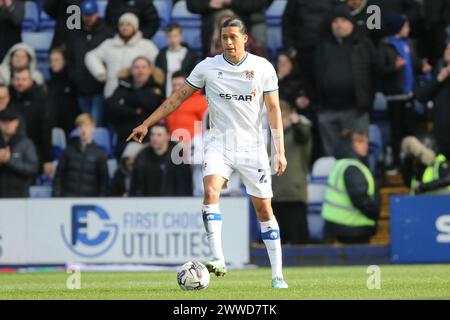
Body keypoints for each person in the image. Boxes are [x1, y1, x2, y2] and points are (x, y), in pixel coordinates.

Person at [127, 18, 289, 288]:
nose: (228, 42)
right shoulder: (207, 67)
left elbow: (274, 109)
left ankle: (277, 275)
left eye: (233, 37)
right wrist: (146, 123)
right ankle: (217, 257)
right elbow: (177, 98)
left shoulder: (262, 68)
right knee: (210, 189)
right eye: (224, 37)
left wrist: (279, 151)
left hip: (252, 146)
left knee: (263, 209)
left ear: (245, 39)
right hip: (219, 142)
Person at [314, 5, 382, 156]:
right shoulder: (322, 47)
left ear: (351, 23)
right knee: (331, 158)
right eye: (335, 21)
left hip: (355, 111)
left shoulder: (363, 44)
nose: (339, 24)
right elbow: (315, 76)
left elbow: (376, 72)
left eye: (343, 20)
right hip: (328, 111)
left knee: (357, 155)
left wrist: (367, 101)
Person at [380, 14, 431, 170]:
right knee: (396, 132)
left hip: (409, 95)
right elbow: (380, 69)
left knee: (410, 131)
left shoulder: (409, 43)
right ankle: (397, 163)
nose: (408, 29)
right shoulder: (385, 45)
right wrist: (393, 68)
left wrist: (422, 68)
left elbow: (414, 64)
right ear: (398, 28)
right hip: (394, 96)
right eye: (406, 26)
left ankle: (411, 164)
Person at [321, 130, 380, 244]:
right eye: (360, 141)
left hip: (338, 227)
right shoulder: (352, 167)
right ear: (350, 144)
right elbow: (361, 199)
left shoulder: (341, 164)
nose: (365, 145)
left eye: (366, 142)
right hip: (352, 229)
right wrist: (375, 214)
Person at [85, 12, 159, 98]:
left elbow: (156, 64)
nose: (125, 27)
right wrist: (100, 73)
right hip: (111, 93)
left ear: (135, 27)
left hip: (136, 95)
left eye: (128, 24)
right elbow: (91, 56)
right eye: (122, 24)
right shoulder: (109, 44)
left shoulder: (146, 45)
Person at [65, 0, 114, 126]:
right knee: (85, 122)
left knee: (96, 123)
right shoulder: (75, 33)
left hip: (98, 87)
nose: (88, 18)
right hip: (80, 87)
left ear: (97, 14)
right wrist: (73, 78)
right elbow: (70, 58)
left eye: (91, 15)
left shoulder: (107, 33)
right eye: (86, 15)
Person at [106, 56, 164, 159]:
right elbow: (112, 105)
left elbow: (149, 103)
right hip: (123, 135)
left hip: (145, 138)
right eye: (136, 67)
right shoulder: (123, 85)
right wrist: (135, 111)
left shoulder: (156, 87)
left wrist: (126, 99)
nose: (140, 70)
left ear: (150, 70)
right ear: (131, 70)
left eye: (143, 67)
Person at [271, 100, 311, 244]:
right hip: (275, 194)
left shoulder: (299, 130)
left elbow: (304, 134)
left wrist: (297, 122)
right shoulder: (272, 135)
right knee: (277, 243)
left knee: (298, 240)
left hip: (294, 194)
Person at [9, 68, 53, 178]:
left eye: (24, 79)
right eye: (17, 79)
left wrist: (48, 159)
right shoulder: (7, 98)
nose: (20, 82)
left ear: (31, 81)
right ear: (12, 80)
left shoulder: (40, 100)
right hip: (9, 150)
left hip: (34, 150)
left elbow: (45, 131)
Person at [52, 113, 109, 197]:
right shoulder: (68, 151)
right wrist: (57, 196)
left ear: (93, 128)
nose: (83, 130)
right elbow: (59, 176)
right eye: (80, 126)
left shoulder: (100, 154)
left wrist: (100, 200)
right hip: (68, 200)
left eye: (86, 126)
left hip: (90, 203)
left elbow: (104, 183)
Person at [129, 123, 192, 196]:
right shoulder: (142, 156)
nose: (154, 138)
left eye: (159, 135)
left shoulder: (178, 159)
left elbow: (184, 187)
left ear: (167, 136)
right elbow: (135, 184)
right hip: (146, 203)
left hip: (172, 204)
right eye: (152, 134)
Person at [186, 0, 266, 57]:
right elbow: (191, 4)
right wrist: (208, 3)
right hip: (210, 28)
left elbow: (258, 3)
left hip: (242, 18)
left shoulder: (249, 41)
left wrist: (232, 2)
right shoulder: (213, 40)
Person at [0, 108, 39, 198]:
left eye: (11, 121)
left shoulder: (25, 143)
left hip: (20, 197)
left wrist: (9, 160)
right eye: (4, 122)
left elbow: (33, 169)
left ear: (17, 122)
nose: (8, 125)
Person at [155, 23, 198, 97]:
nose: (172, 39)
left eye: (175, 36)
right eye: (169, 36)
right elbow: (158, 74)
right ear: (166, 37)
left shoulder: (190, 55)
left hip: (185, 94)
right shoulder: (161, 55)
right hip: (165, 93)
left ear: (181, 36)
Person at [46, 48, 80, 136]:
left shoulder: (72, 82)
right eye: (51, 60)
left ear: (64, 61)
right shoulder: (47, 84)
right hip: (53, 126)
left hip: (71, 126)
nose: (53, 63)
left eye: (57, 60)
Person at [165, 71, 207, 138]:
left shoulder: (200, 101)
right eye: (174, 85)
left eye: (179, 85)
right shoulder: (168, 102)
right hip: (174, 144)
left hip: (194, 143)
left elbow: (207, 124)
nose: (176, 88)